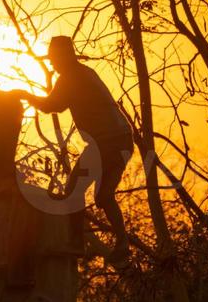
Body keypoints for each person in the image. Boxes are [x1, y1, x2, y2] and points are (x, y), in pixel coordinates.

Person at [15, 35, 134, 263]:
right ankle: (122, 241)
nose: (52, 63)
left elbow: (53, 105)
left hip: (106, 142)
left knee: (72, 193)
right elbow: (57, 104)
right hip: (122, 140)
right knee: (103, 196)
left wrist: (25, 95)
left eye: (53, 59)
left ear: (63, 56)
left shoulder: (72, 76)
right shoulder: (85, 73)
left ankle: (75, 242)